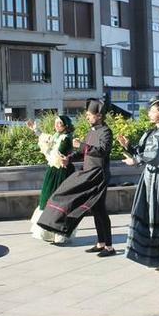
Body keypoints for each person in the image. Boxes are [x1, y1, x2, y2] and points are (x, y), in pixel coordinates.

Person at [37, 99, 114, 257]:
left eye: (89, 115)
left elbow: (102, 151)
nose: (87, 117)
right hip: (88, 174)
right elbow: (83, 152)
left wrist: (83, 146)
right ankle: (101, 243)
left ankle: (109, 247)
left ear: (98, 116)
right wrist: (69, 158)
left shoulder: (106, 131)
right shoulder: (92, 131)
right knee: (96, 210)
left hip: (99, 175)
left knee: (100, 211)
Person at [119, 98, 159, 271]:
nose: (149, 113)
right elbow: (145, 152)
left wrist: (135, 160)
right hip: (150, 176)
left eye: (152, 111)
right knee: (149, 213)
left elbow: (155, 156)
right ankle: (154, 257)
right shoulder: (153, 131)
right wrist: (129, 147)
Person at [26, 115, 74, 244]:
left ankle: (59, 235)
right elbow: (47, 140)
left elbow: (57, 155)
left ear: (66, 125)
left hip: (61, 172)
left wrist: (47, 148)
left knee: (58, 202)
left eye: (60, 123)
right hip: (53, 171)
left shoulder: (66, 138)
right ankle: (49, 233)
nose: (57, 125)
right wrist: (36, 130)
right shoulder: (57, 136)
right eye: (56, 123)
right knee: (47, 199)